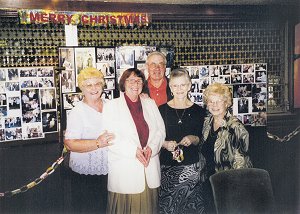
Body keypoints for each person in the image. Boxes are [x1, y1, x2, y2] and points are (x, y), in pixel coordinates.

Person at [103, 68, 165, 214]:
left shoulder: (150, 103)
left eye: (139, 81)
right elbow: (109, 138)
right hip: (125, 170)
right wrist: (133, 151)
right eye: (131, 80)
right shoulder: (111, 106)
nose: (135, 84)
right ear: (123, 83)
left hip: (149, 168)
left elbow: (161, 131)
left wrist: (151, 148)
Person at [64, 67, 115, 214]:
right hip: (85, 175)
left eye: (97, 84)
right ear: (82, 88)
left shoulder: (110, 105)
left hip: (110, 171)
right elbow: (70, 143)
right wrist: (97, 143)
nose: (94, 88)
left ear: (102, 86)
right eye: (89, 85)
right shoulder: (77, 112)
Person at [158, 68, 206, 214]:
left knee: (190, 209)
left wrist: (193, 138)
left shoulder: (199, 111)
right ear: (170, 87)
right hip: (167, 169)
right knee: (168, 208)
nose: (179, 89)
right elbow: (154, 138)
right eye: (175, 85)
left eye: (183, 85)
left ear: (189, 85)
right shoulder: (161, 110)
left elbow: (201, 140)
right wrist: (165, 144)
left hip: (191, 169)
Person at [201, 82, 253, 213]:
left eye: (218, 101)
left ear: (226, 103)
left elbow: (241, 162)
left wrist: (236, 190)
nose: (214, 105)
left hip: (228, 183)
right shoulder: (207, 123)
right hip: (209, 180)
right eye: (211, 101)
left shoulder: (236, 127)